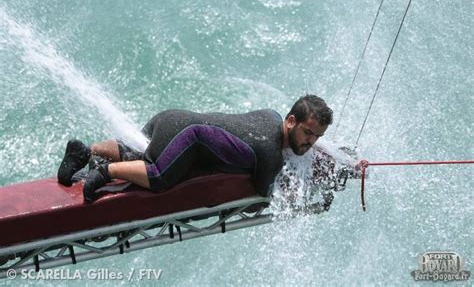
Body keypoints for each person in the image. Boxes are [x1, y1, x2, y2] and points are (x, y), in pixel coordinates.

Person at [57, 95, 333, 202]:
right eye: (307, 133)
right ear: (291, 122)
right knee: (157, 176)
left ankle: (86, 151)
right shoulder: (271, 154)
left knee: (135, 151)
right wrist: (307, 202)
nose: (310, 142)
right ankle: (105, 171)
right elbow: (264, 194)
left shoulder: (272, 115)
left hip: (172, 117)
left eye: (316, 137)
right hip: (185, 134)